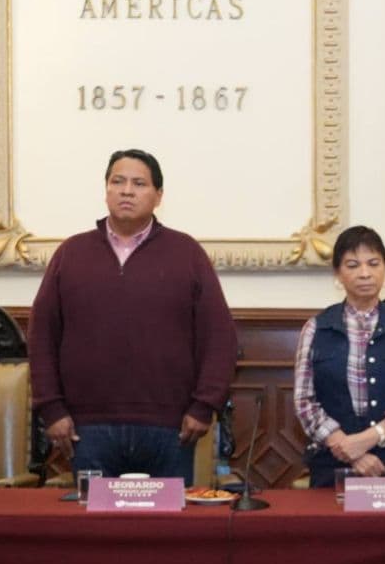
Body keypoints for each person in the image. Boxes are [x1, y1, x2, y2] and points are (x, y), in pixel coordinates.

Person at [30, 150, 237, 486]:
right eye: (118, 181)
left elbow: (220, 338)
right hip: (87, 429)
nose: (127, 190)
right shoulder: (71, 253)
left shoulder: (187, 254)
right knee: (96, 535)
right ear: (106, 190)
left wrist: (203, 406)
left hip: (171, 428)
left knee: (166, 534)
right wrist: (52, 410)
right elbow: (41, 337)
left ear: (158, 196)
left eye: (139, 183)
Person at [293, 225, 385, 487]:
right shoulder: (316, 328)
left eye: (373, 263)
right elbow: (304, 403)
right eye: (353, 265)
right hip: (333, 468)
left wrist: (369, 438)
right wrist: (348, 450)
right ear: (338, 274)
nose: (365, 273)